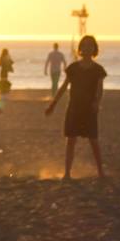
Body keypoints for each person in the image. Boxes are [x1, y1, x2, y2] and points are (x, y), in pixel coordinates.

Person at [45, 34, 106, 179]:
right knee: (71, 140)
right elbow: (63, 87)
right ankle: (67, 173)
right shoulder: (73, 68)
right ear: (80, 49)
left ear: (94, 49)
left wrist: (97, 103)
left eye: (90, 46)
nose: (87, 48)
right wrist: (53, 105)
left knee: (94, 141)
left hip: (89, 109)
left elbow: (100, 89)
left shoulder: (98, 69)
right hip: (74, 108)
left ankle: (100, 172)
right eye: (84, 45)